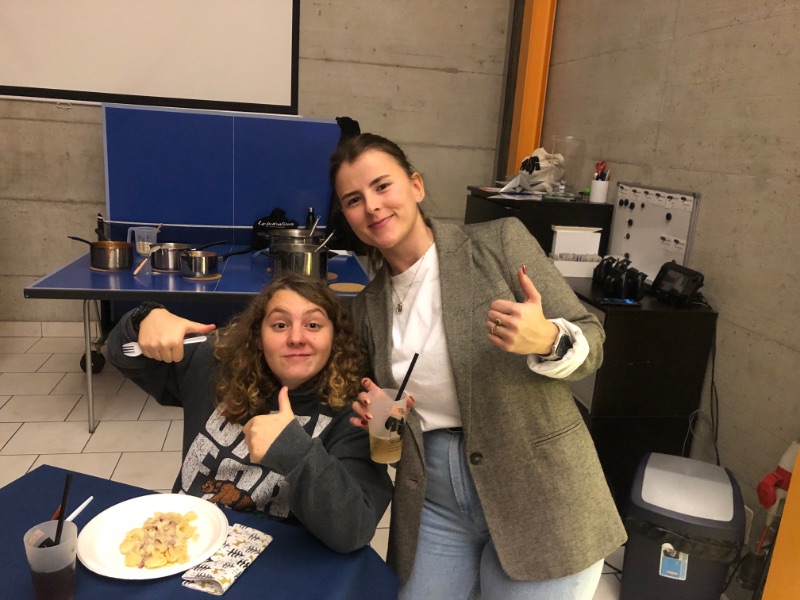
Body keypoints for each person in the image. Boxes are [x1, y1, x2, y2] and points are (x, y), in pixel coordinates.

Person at [330, 133, 627, 598]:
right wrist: (380, 419)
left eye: (382, 186)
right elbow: (391, 410)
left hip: (539, 492)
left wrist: (548, 338)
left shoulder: (499, 243)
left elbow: (593, 340)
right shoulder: (367, 307)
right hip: (435, 504)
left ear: (416, 186)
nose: (371, 206)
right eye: (354, 199)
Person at [107, 273, 392, 554]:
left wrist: (294, 450)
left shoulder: (353, 412)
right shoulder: (213, 365)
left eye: (313, 325)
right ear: (257, 337)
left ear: (334, 337)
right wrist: (143, 318)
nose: (296, 338)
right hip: (189, 542)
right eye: (280, 325)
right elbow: (123, 354)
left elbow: (353, 530)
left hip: (280, 560)